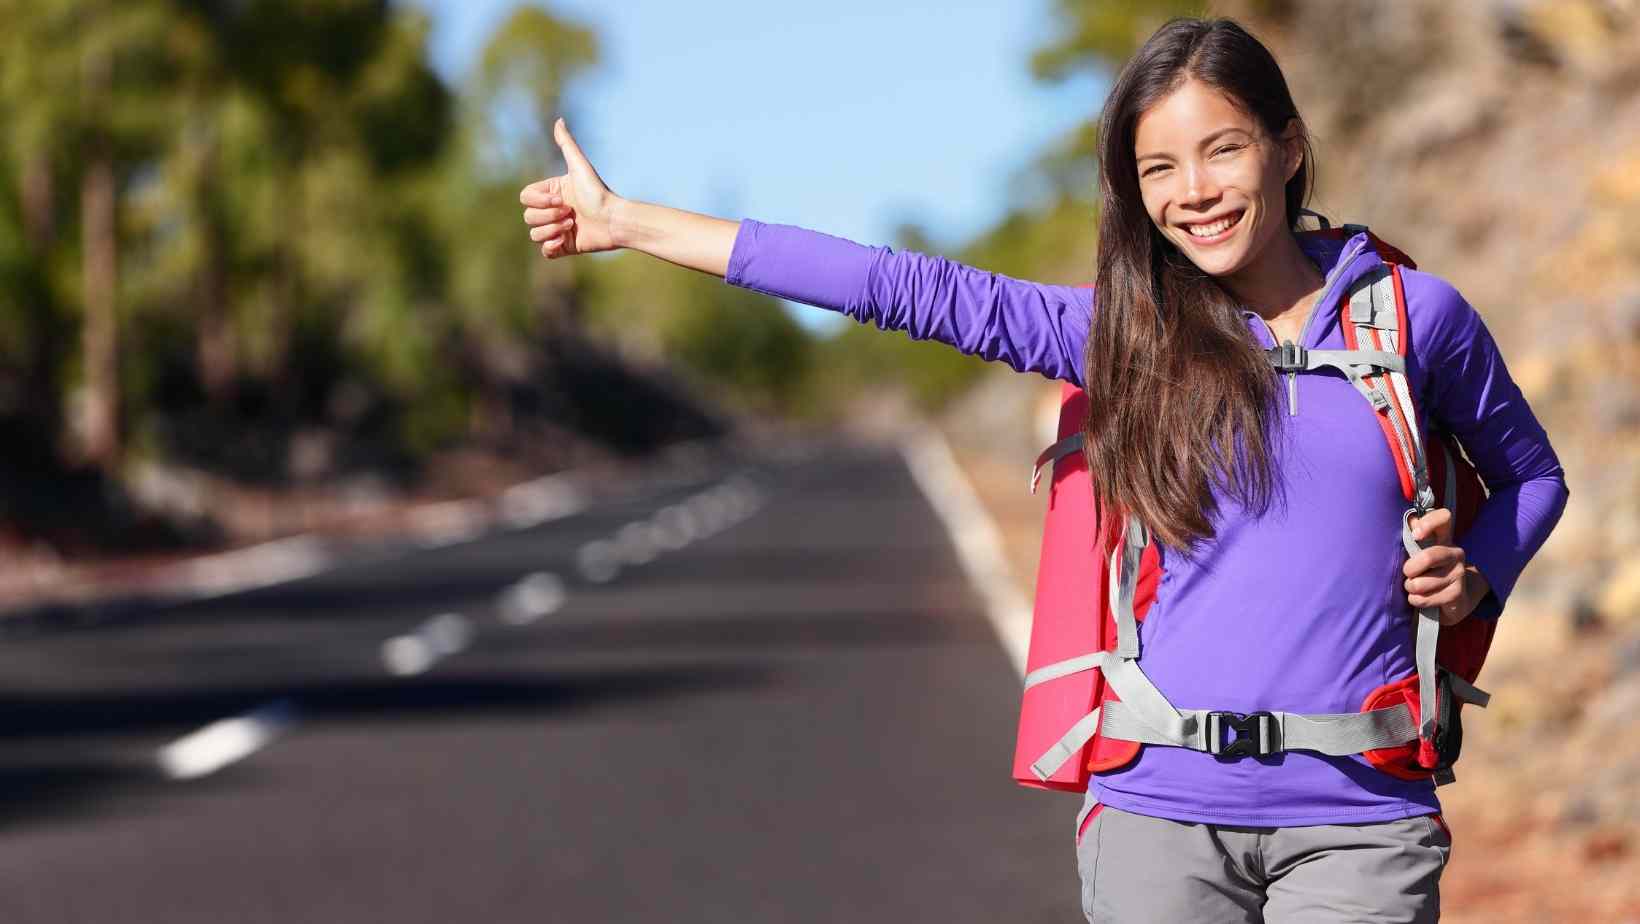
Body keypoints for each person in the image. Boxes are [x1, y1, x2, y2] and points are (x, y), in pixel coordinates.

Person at [519, 16, 1567, 924]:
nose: (1192, 193)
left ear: (1286, 147)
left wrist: (1474, 572)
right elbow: (891, 286)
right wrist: (629, 224)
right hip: (1157, 823)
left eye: (1221, 151)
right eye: (1157, 169)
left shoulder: (1412, 320)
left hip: (1360, 819)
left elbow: (1529, 479)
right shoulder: (1121, 333)